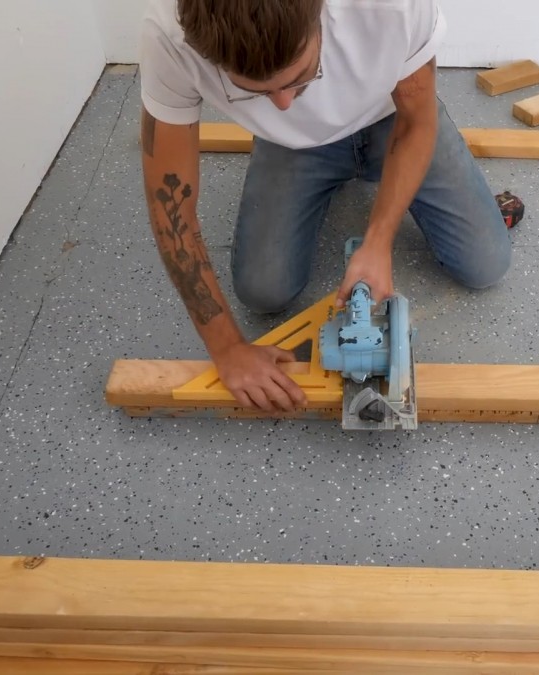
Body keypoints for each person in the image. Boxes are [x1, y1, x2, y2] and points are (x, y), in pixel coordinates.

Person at [137, 0, 512, 414]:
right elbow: (171, 210)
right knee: (263, 291)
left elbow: (416, 121)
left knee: (486, 263)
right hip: (292, 144)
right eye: (257, 92)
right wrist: (227, 349)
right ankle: (320, 166)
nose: (283, 103)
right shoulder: (169, 36)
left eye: (299, 77)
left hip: (394, 119)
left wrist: (378, 241)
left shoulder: (389, 7)